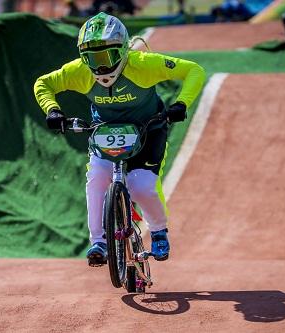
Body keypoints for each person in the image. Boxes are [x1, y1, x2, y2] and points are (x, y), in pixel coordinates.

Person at [34, 12, 205, 266]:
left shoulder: (143, 64)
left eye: (106, 57)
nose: (100, 66)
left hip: (148, 131)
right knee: (97, 180)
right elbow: (43, 84)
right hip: (105, 132)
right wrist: (52, 109)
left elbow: (194, 71)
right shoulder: (80, 72)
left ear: (123, 50)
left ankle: (158, 231)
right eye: (91, 58)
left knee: (142, 185)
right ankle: (99, 242)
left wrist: (181, 103)